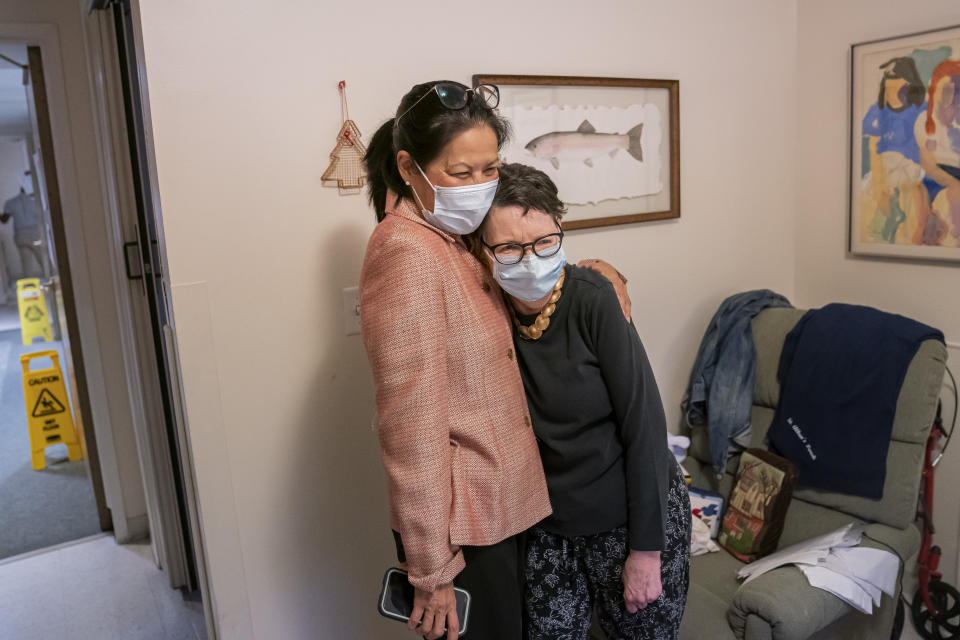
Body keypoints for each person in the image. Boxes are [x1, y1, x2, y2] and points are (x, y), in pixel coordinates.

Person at [359, 81, 629, 640]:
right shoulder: (405, 251)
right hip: (463, 530)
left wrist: (599, 270)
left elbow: (519, 276)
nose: (481, 186)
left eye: (490, 168)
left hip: (503, 509)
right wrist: (431, 569)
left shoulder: (453, 238)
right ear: (409, 168)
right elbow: (410, 428)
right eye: (462, 173)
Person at [474, 163, 690, 640]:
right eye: (509, 247)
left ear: (560, 230)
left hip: (631, 520)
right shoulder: (485, 312)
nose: (529, 260)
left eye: (544, 241)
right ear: (483, 249)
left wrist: (646, 552)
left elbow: (645, 427)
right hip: (549, 525)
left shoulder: (594, 297)